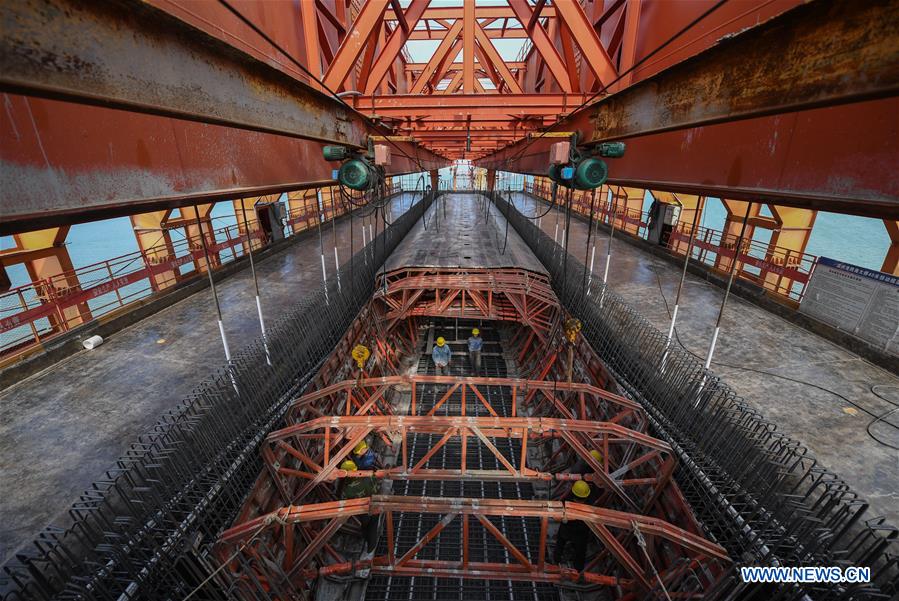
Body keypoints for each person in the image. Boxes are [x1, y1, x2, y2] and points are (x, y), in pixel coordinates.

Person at [337, 459, 380, 555]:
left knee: (365, 526)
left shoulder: (348, 489)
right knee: (373, 526)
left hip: (363, 511)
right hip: (376, 505)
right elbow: (376, 484)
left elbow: (347, 502)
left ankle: (366, 540)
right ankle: (371, 546)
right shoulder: (368, 475)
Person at [553, 480, 596, 572]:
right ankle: (577, 568)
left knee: (563, 543)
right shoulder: (590, 503)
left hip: (574, 530)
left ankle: (560, 561)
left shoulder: (568, 499)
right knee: (579, 550)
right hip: (577, 531)